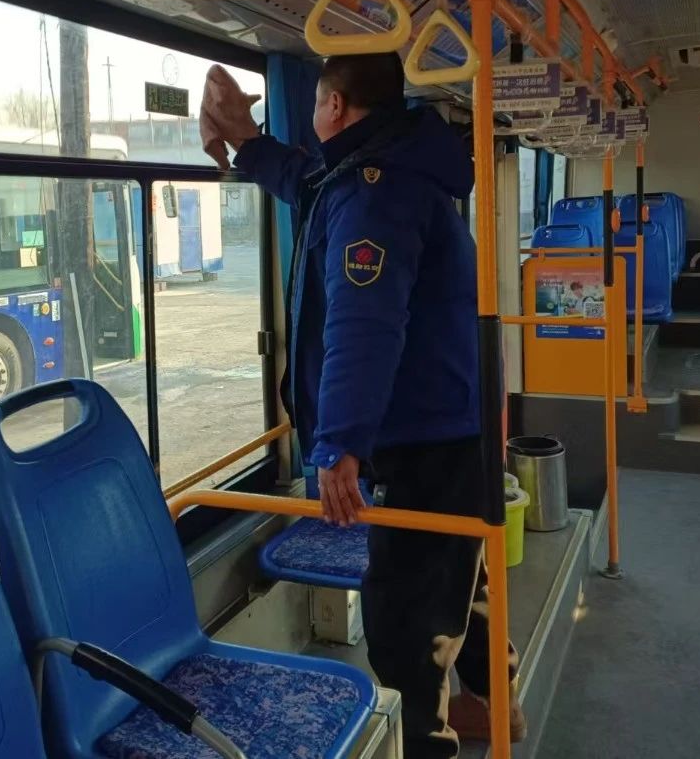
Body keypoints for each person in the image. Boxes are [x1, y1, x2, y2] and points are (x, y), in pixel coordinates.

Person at [200, 53, 523, 757]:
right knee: (458, 577)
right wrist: (247, 144)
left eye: (315, 104)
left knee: (404, 611)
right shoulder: (377, 169)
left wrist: (339, 443)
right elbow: (303, 180)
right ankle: (493, 703)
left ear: (335, 107)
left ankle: (429, 743)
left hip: (430, 436)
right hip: (451, 421)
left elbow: (364, 324)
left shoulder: (376, 195)